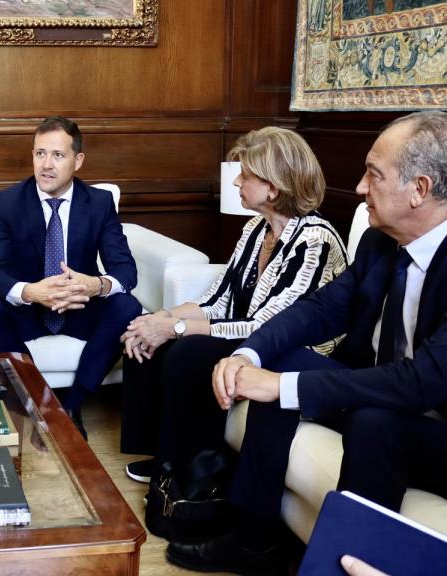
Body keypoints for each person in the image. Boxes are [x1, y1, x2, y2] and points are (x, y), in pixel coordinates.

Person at [168, 111, 447, 575]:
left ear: (419, 189)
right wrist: (248, 354)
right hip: (386, 389)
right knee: (284, 359)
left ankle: (339, 563)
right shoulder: (380, 243)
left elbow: (422, 383)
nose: (359, 188)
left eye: (373, 175)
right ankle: (253, 540)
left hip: (434, 419)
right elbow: (321, 310)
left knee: (371, 421)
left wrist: (281, 386)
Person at [118, 127, 347, 483]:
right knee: (145, 331)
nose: (238, 181)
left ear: (273, 186)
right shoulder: (256, 229)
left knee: (188, 351)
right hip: (252, 335)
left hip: (290, 349)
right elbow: (220, 299)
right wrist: (163, 318)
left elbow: (266, 326)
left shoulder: (314, 241)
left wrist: (177, 329)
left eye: (246, 175)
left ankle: (188, 468)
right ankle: (163, 455)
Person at [0, 116, 142, 438]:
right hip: (29, 310)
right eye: (40, 154)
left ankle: (73, 404)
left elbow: (125, 270)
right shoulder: (6, 203)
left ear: (78, 161)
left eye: (58, 155)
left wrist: (96, 285)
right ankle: (39, 403)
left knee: (127, 306)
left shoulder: (99, 203)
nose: (46, 165)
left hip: (79, 306)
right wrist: (33, 292)